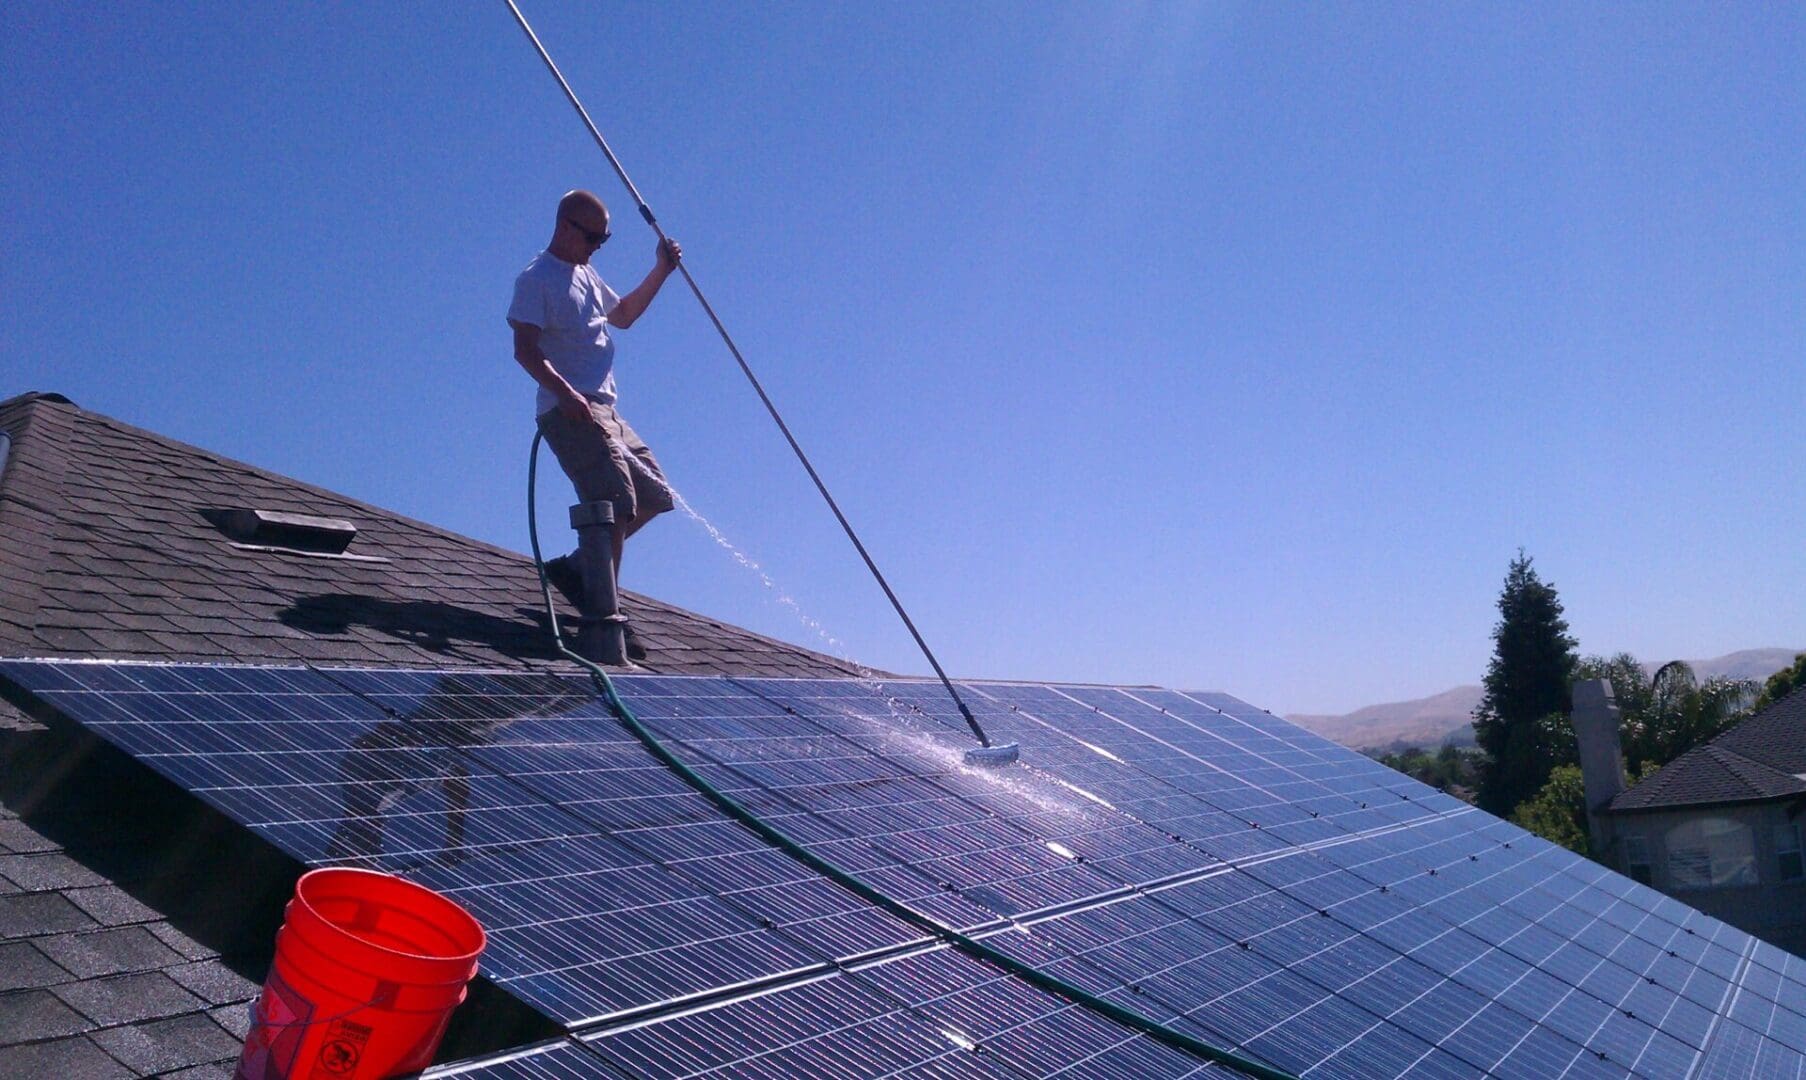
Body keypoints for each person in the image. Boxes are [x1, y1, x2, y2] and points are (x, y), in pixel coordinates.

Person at [509, 189, 682, 661]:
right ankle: (604, 613)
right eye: (592, 238)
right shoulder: (536, 279)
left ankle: (577, 570)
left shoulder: (585, 273)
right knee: (616, 504)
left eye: (604, 240)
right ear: (565, 226)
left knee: (656, 495)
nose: (597, 247)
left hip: (607, 409)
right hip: (568, 410)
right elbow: (525, 350)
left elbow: (623, 315)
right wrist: (566, 393)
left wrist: (662, 269)